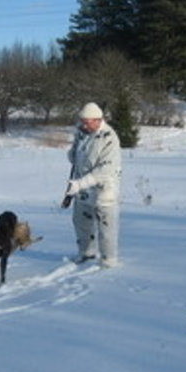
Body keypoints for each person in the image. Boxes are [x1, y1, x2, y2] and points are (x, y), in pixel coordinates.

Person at [65, 102, 122, 267]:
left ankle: (108, 260)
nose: (83, 125)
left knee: (107, 228)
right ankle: (86, 253)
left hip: (104, 191)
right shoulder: (81, 133)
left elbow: (105, 169)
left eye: (87, 122)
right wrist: (72, 154)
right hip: (83, 190)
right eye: (82, 121)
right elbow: (75, 157)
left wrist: (80, 184)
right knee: (81, 222)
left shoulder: (109, 138)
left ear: (98, 120)